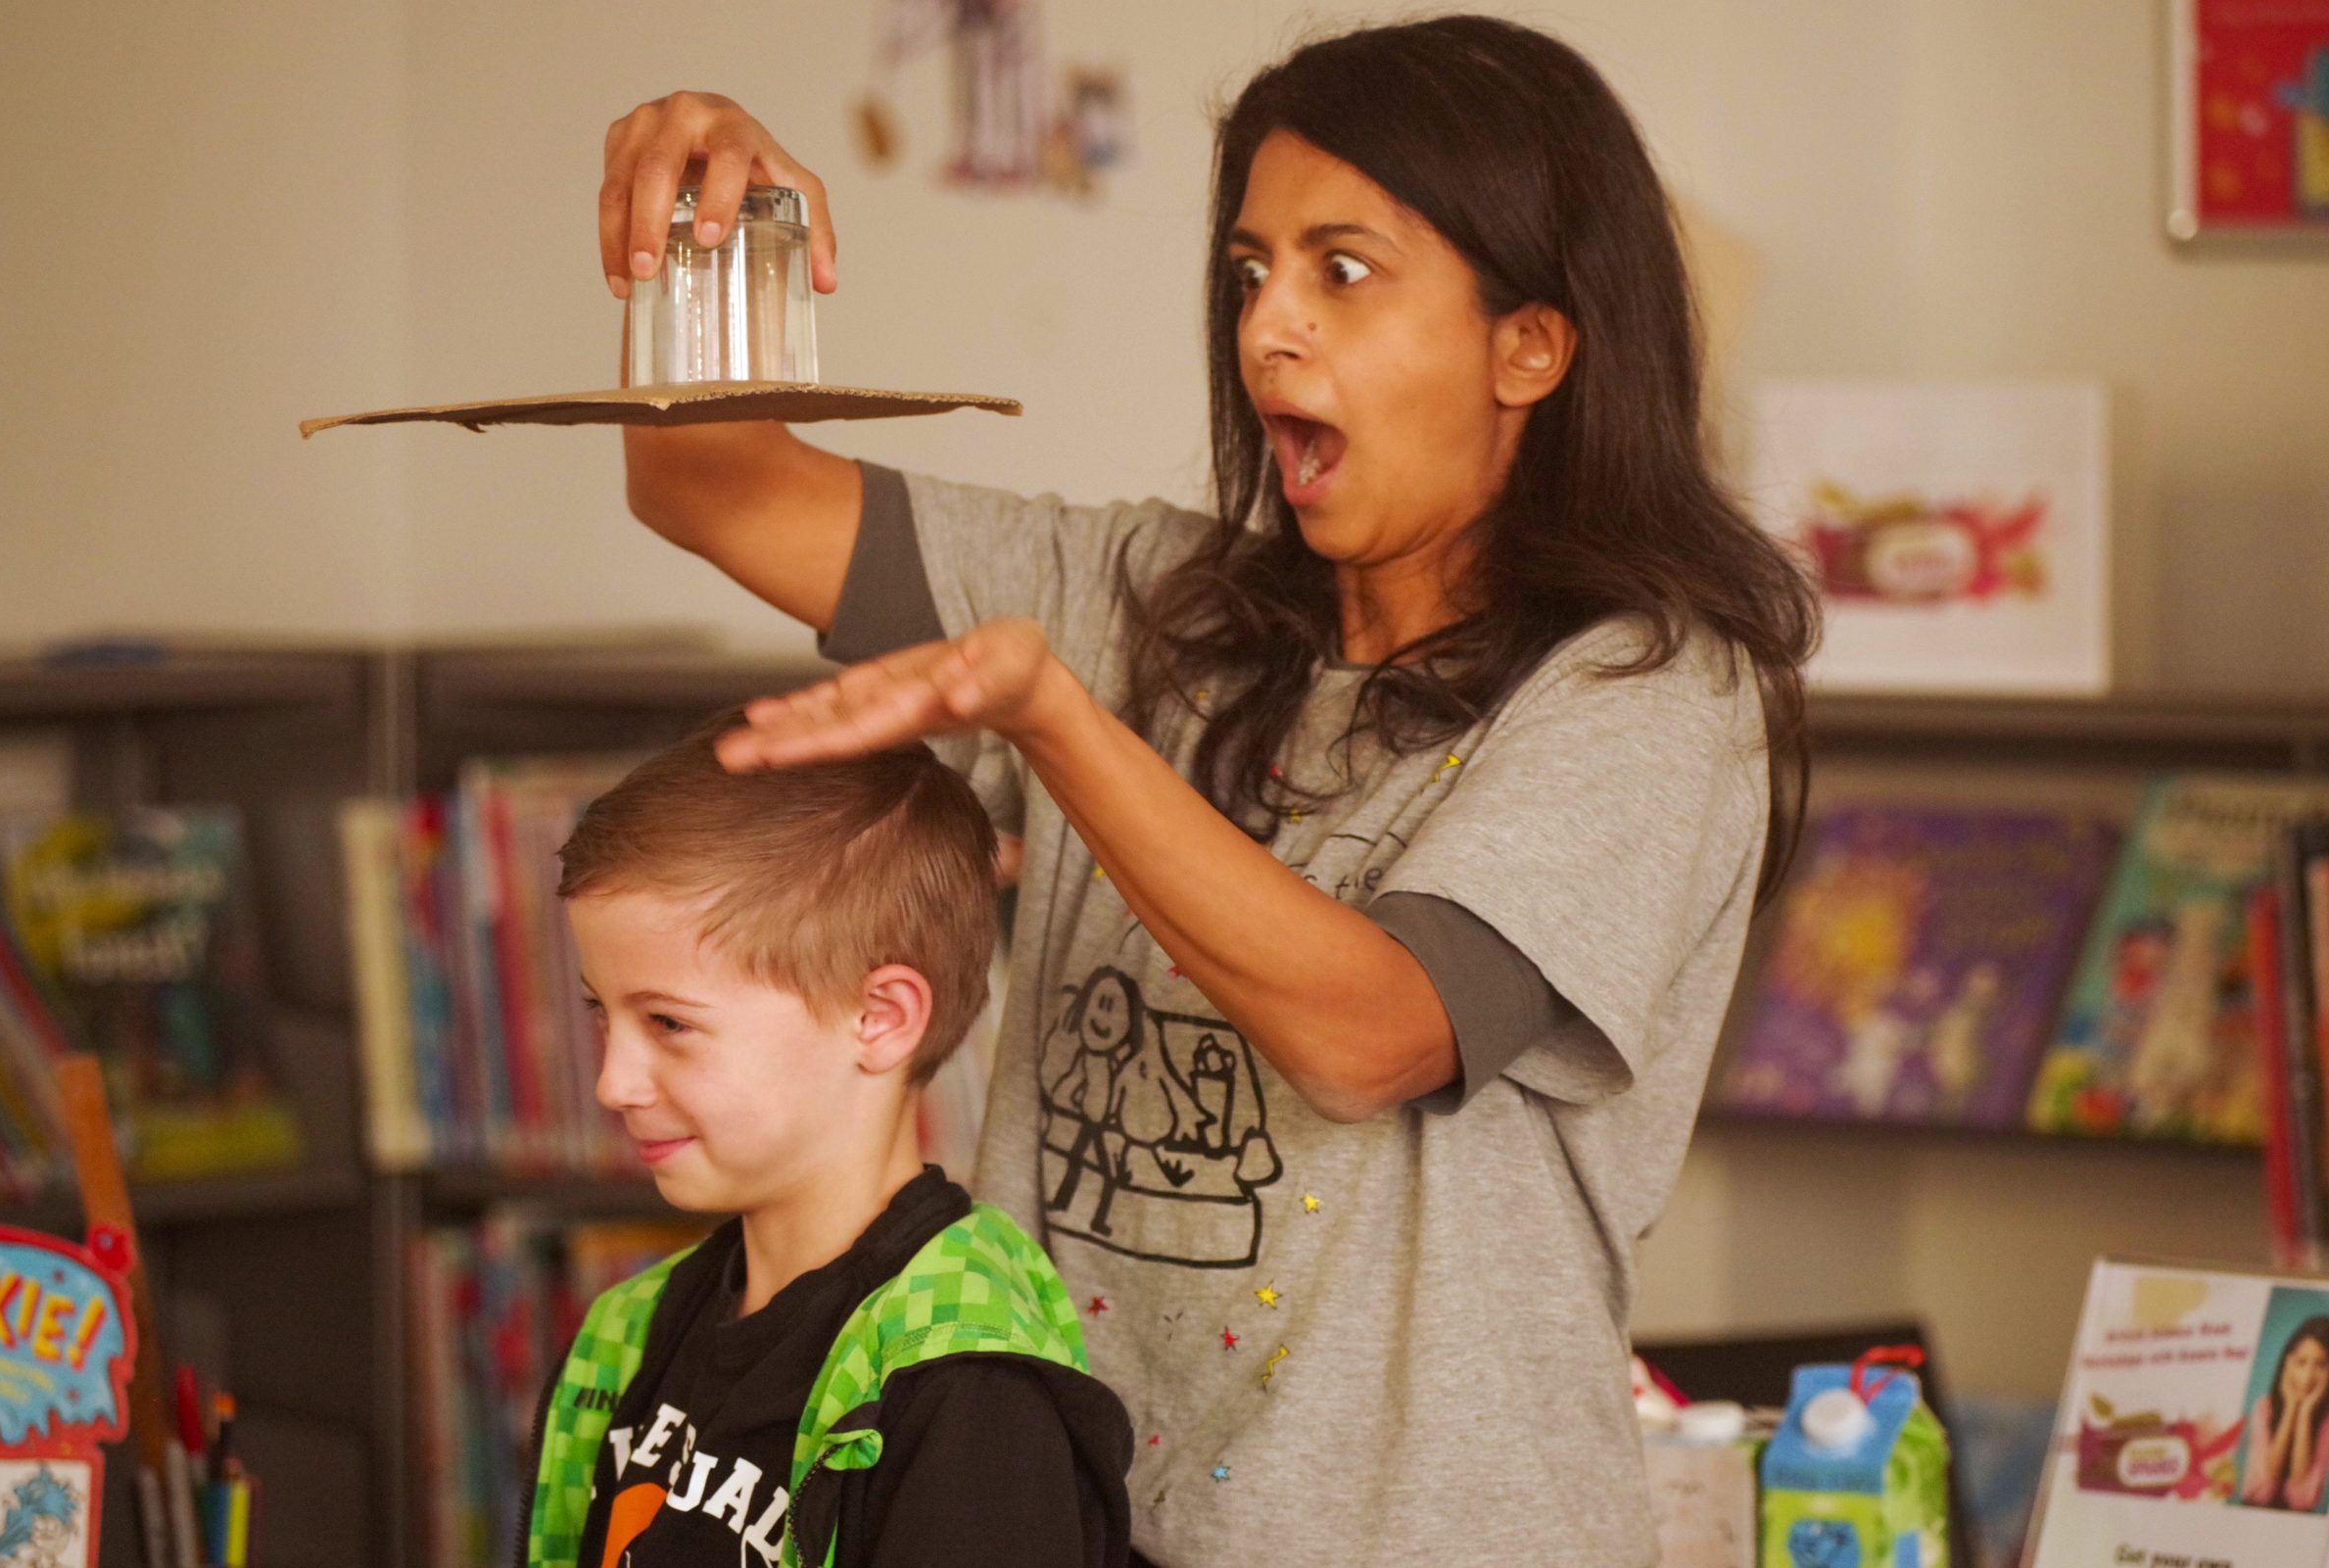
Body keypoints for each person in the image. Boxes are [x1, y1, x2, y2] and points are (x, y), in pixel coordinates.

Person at [602, 16, 1818, 1564]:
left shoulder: (1651, 691)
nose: (1265, 334)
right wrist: (710, 235)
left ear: (1533, 342)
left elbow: (1368, 1031)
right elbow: (705, 481)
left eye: (1343, 271)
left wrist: (1053, 715)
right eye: (1251, 273)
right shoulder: (1149, 599)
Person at [523, 711, 1132, 1568]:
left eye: (668, 1022)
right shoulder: (630, 1331)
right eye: (601, 1010)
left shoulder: (966, 1390)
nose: (612, 1083)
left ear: (879, 1018)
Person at [2239, 1315, 2329, 1512]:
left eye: (2321, 1365)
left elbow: (2301, 1498)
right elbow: (2265, 1488)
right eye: (2301, 1362)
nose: (2308, 1376)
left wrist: (2304, 1413)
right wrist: (2290, 1407)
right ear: (2287, 1363)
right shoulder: (2264, 1407)